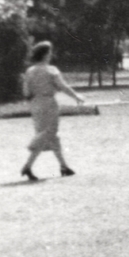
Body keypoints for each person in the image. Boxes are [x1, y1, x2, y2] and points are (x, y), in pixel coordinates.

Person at [20, 41, 86, 181]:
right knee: (49, 132)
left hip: (35, 104)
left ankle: (63, 166)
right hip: (49, 103)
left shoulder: (29, 71)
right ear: (44, 54)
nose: (51, 55)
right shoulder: (51, 70)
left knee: (51, 136)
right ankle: (29, 160)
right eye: (49, 52)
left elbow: (26, 91)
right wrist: (76, 96)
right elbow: (63, 87)